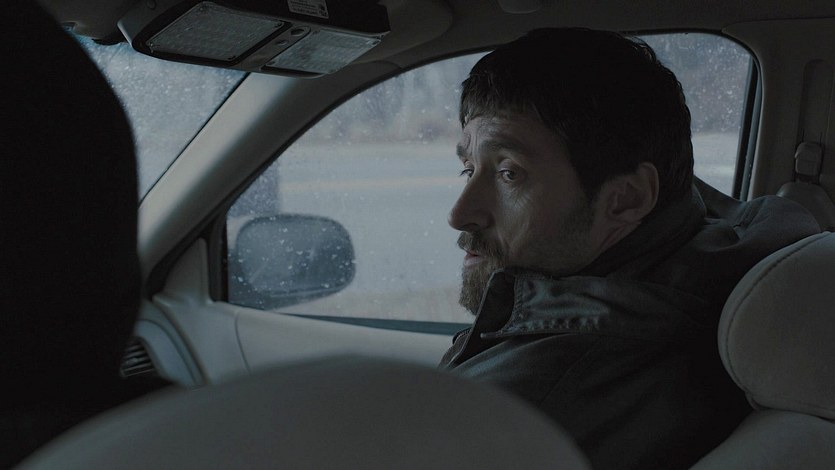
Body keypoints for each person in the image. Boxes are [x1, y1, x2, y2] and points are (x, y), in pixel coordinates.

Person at [439, 28, 820, 469]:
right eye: (468, 168)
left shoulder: (536, 401)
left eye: (509, 173)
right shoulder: (703, 255)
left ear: (626, 199)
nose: (460, 214)